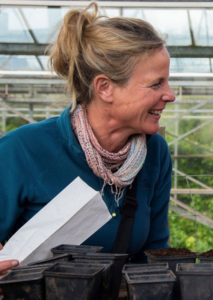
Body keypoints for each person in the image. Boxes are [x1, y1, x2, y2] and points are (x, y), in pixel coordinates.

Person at [0, 2, 175, 273]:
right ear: (105, 88)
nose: (170, 95)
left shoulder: (156, 154)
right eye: (156, 83)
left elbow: (153, 254)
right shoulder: (21, 151)